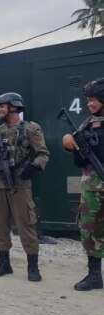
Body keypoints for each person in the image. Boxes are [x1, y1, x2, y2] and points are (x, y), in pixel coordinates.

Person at [0, 92, 49, 282]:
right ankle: (4, 263)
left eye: (2, 106)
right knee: (0, 224)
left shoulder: (30, 129)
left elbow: (43, 154)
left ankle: (32, 267)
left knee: (26, 223)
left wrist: (34, 167)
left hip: (20, 181)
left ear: (14, 107)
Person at [62, 77, 104, 291]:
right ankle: (95, 275)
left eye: (93, 99)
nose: (89, 103)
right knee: (90, 229)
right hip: (91, 186)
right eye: (87, 99)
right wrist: (68, 141)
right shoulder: (88, 123)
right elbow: (75, 143)